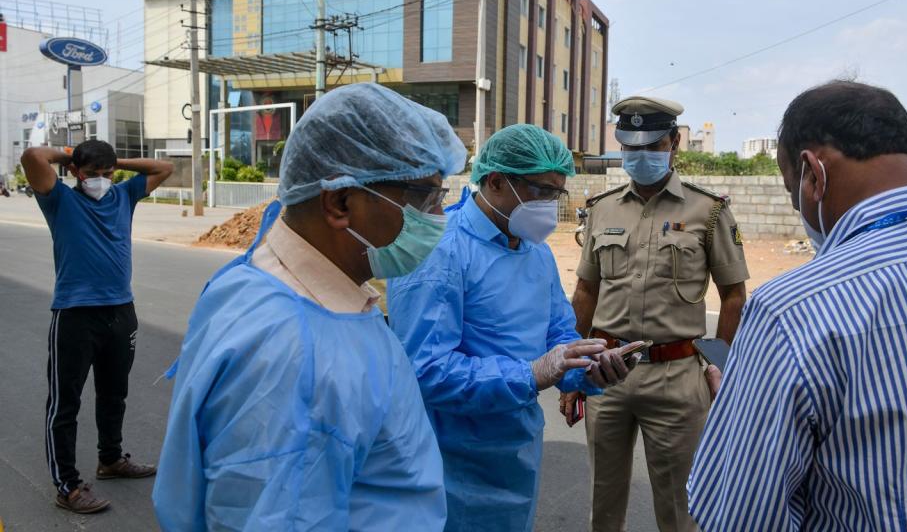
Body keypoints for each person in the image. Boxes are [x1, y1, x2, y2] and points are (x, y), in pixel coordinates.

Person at [153, 83, 464, 531]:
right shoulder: (296, 353)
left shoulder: (273, 284)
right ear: (340, 202)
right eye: (423, 197)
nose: (438, 216)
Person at [688, 80, 907, 530]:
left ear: (813, 173)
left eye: (792, 190)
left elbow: (741, 517)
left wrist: (746, 412)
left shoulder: (792, 311)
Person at [388, 124, 642, 532]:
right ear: (495, 181)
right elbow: (425, 370)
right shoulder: (441, 251)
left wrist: (588, 367)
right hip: (448, 457)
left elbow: (559, 332)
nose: (549, 205)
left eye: (555, 194)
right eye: (541, 191)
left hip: (515, 448)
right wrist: (531, 373)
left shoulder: (534, 252)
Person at [568, 96, 749, 532]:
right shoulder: (602, 209)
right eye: (632, 147)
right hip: (605, 372)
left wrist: (718, 366)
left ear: (673, 143)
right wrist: (573, 374)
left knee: (680, 503)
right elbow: (586, 291)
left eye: (652, 146)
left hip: (677, 375)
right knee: (603, 496)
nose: (641, 156)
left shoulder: (708, 211)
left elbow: (734, 297)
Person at [20, 140, 173, 514]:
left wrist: (112, 160)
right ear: (75, 172)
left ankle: (111, 460)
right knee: (65, 403)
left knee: (114, 394)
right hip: (75, 315)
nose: (102, 181)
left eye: (108, 174)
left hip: (121, 312)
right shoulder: (59, 199)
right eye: (93, 174)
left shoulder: (125, 194)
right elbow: (33, 157)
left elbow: (164, 167)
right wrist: (74, 155)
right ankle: (67, 485)